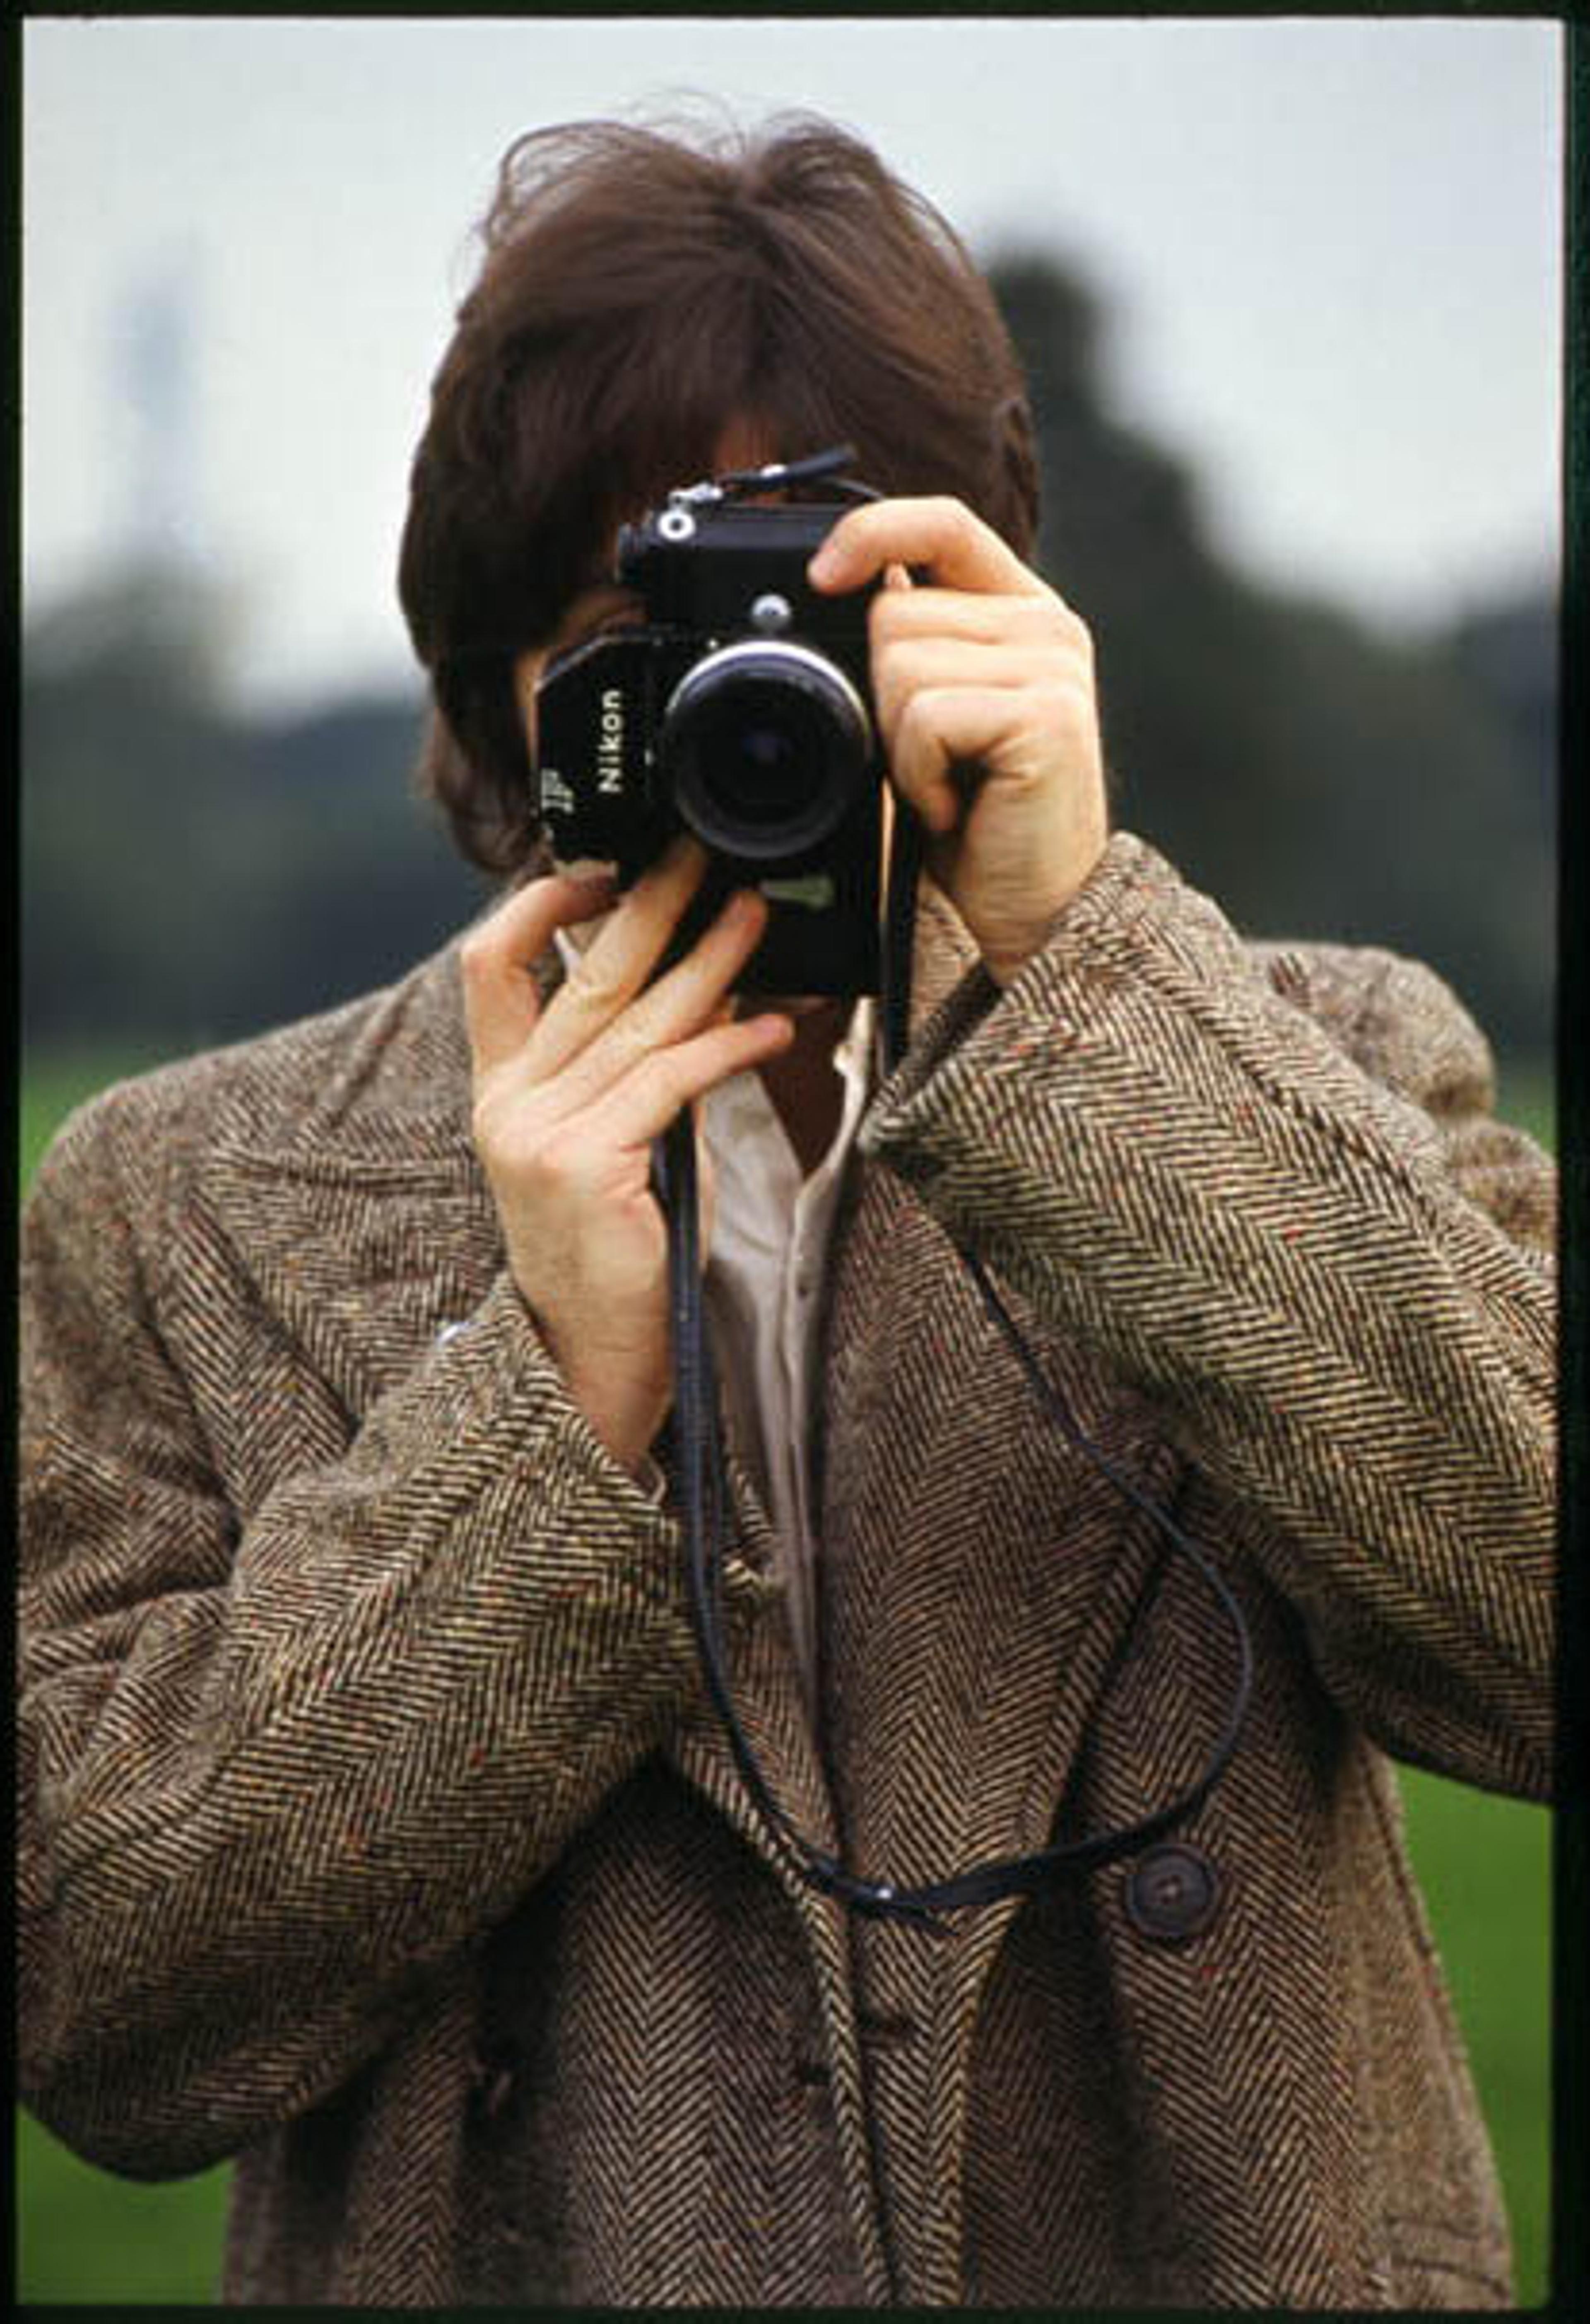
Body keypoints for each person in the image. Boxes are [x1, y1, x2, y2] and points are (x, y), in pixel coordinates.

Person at [19, 112, 1555, 2311]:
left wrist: (1096, 1016)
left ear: (996, 625)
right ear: (497, 698)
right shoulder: (179, 1207)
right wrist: (542, 1421)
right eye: (634, 641)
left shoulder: (1320, 1059)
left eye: (823, 625)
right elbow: (102, 2017)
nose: (752, 709)